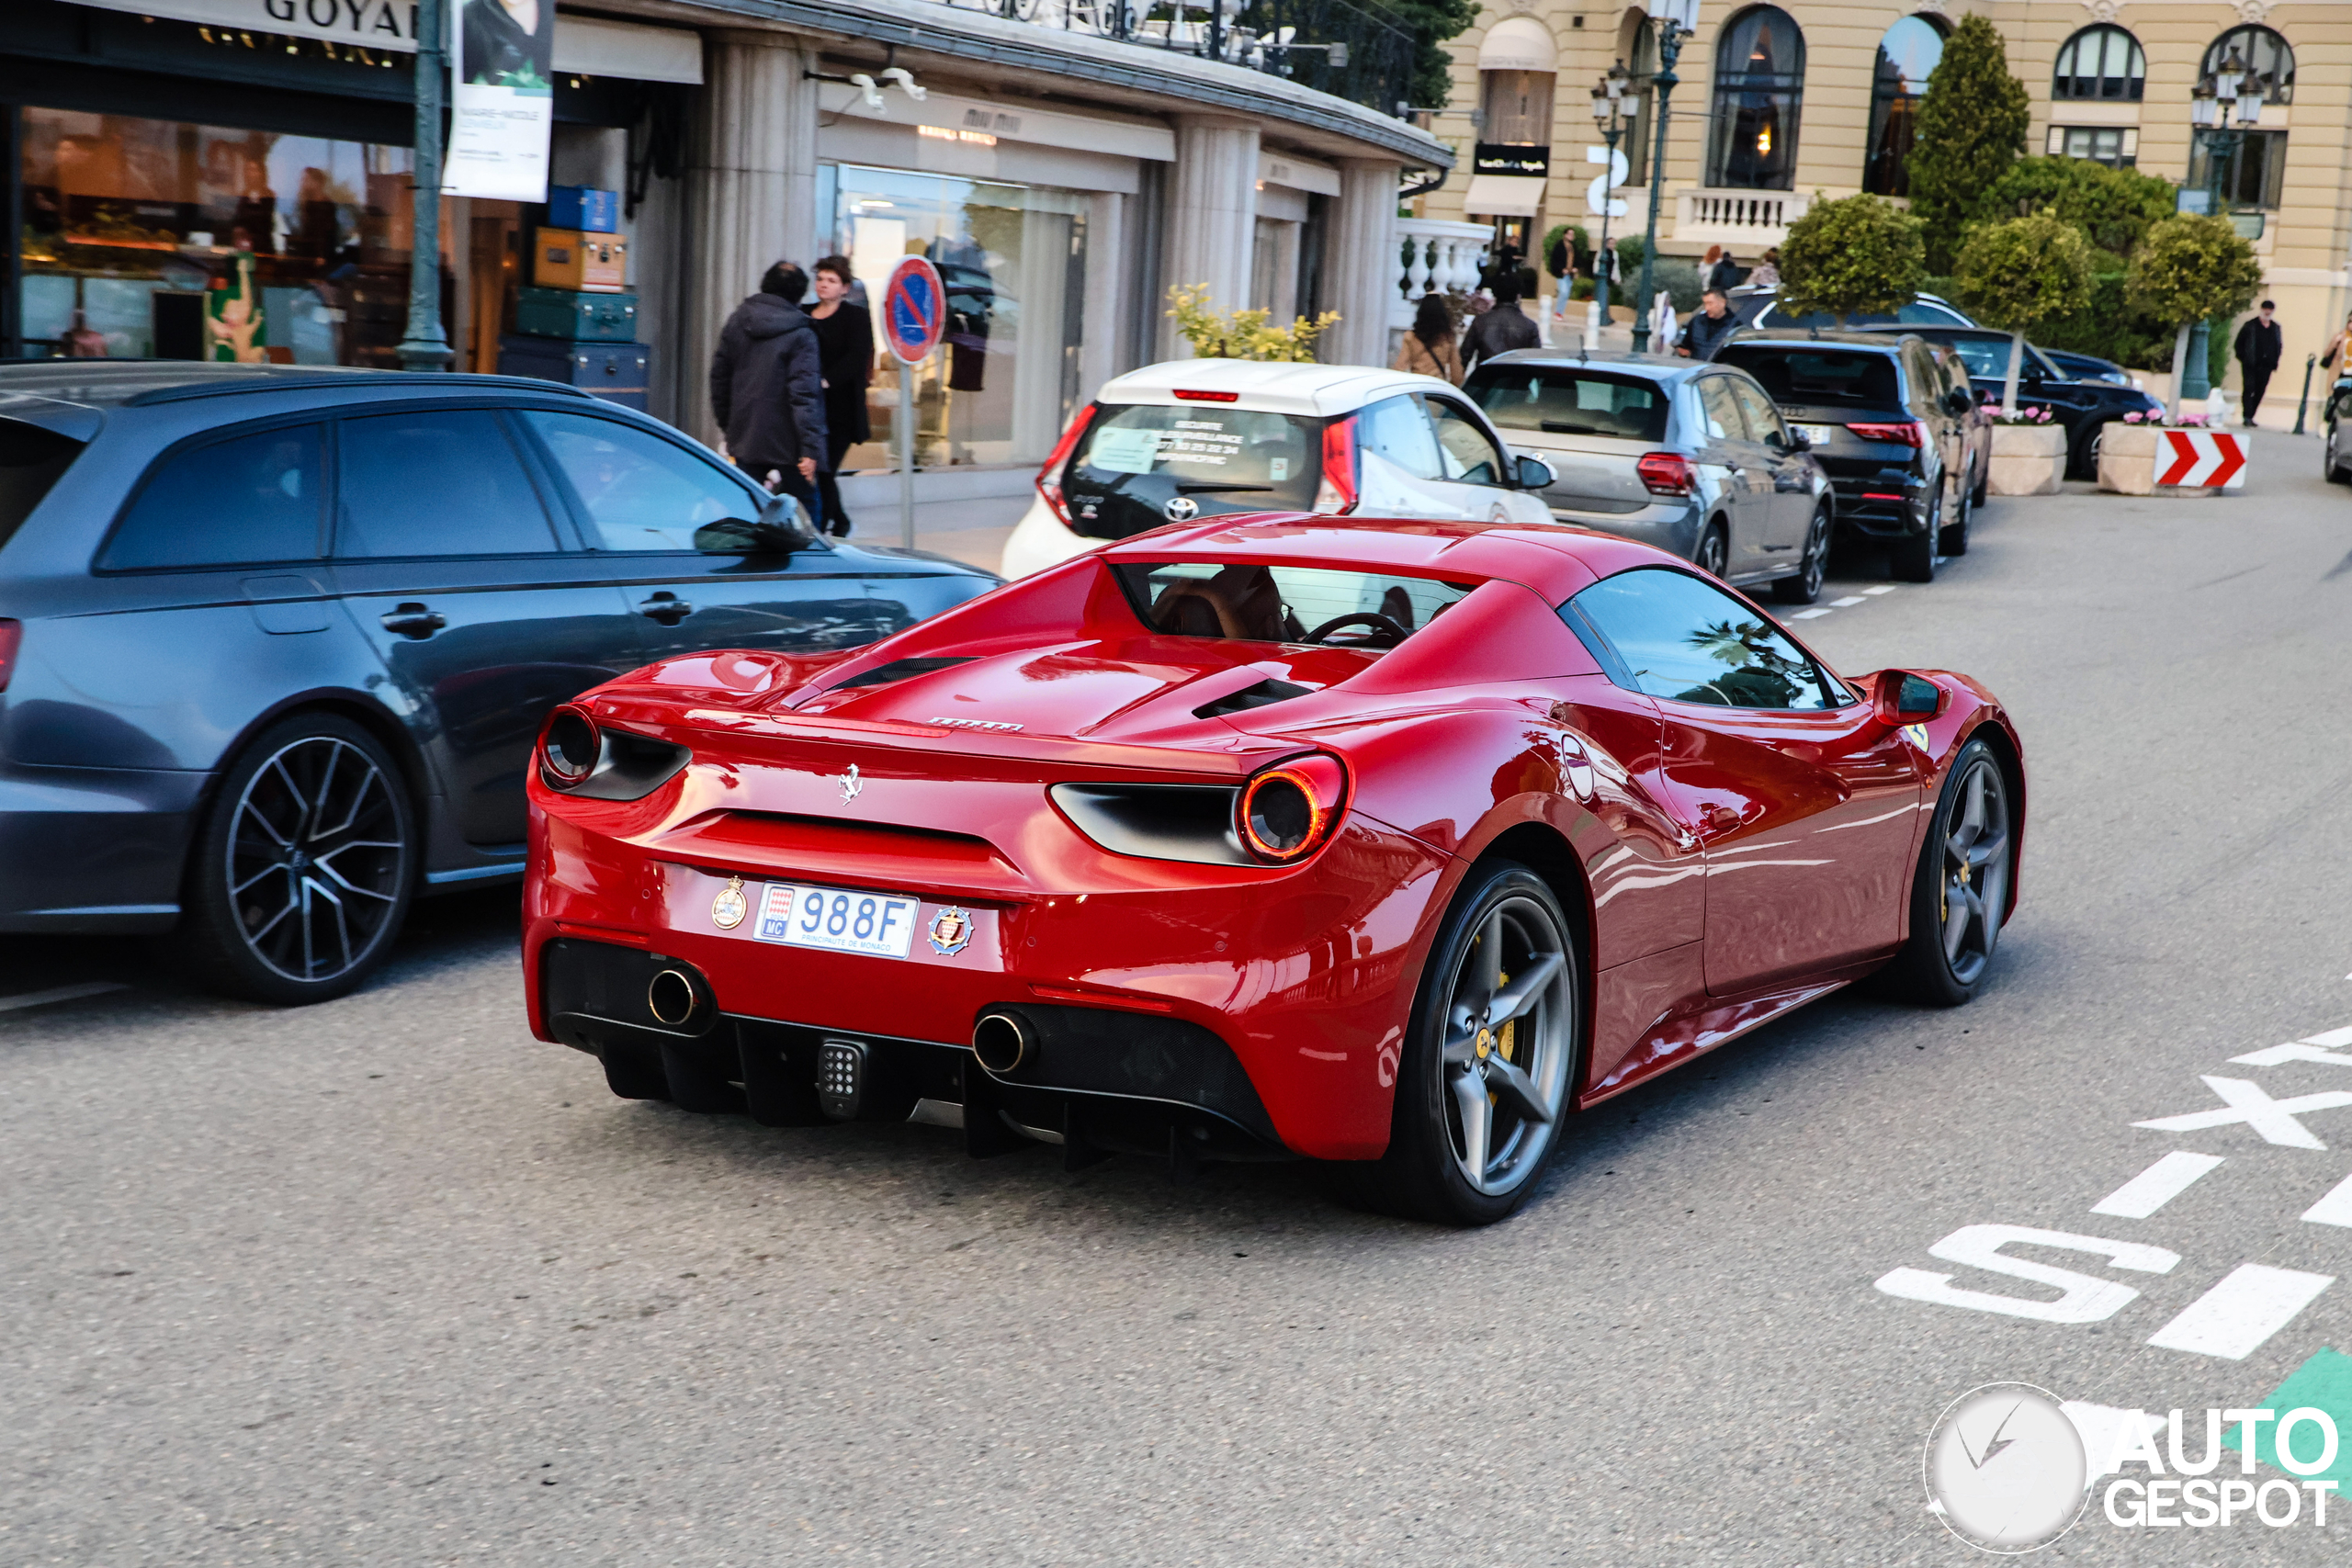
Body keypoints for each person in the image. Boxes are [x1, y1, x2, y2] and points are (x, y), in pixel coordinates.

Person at [708, 261, 828, 527]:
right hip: (790, 442)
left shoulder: (738, 321)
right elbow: (804, 394)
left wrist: (730, 426)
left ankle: (746, 563)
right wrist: (810, 447)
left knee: (744, 507)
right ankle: (812, 566)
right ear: (799, 295)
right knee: (807, 509)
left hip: (746, 434)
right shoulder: (802, 333)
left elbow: (719, 379)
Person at [806, 255, 873, 538]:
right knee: (815, 471)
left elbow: (858, 358)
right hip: (809, 408)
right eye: (820, 279)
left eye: (831, 281)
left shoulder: (855, 317)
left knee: (825, 470)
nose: (824, 284)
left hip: (841, 410)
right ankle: (841, 520)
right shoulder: (803, 312)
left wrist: (826, 380)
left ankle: (824, 528)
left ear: (845, 288)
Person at [1463, 278, 1540, 370]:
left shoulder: (1480, 321)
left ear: (1495, 295)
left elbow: (1464, 355)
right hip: (1515, 380)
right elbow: (1536, 361)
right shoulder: (1529, 326)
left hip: (1484, 378)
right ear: (1518, 297)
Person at [1392, 293, 1464, 384]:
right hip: (1437, 387)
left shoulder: (1411, 337)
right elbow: (1457, 374)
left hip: (1418, 386)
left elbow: (1399, 367)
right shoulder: (1448, 338)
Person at [2233, 299, 2283, 427]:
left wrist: (2275, 360)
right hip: (2251, 364)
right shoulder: (2250, 325)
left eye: (2270, 309)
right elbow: (2239, 344)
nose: (2267, 311)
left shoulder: (2275, 328)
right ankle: (2247, 416)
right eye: (2265, 309)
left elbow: (2278, 345)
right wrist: (2244, 359)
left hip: (2267, 366)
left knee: (2260, 390)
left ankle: (2251, 415)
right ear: (2261, 309)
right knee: (2249, 389)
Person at [1677, 288, 1737, 361]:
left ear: (1723, 303)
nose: (1707, 308)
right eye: (1705, 304)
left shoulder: (1735, 325)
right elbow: (1686, 346)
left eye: (1710, 303)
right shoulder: (1697, 322)